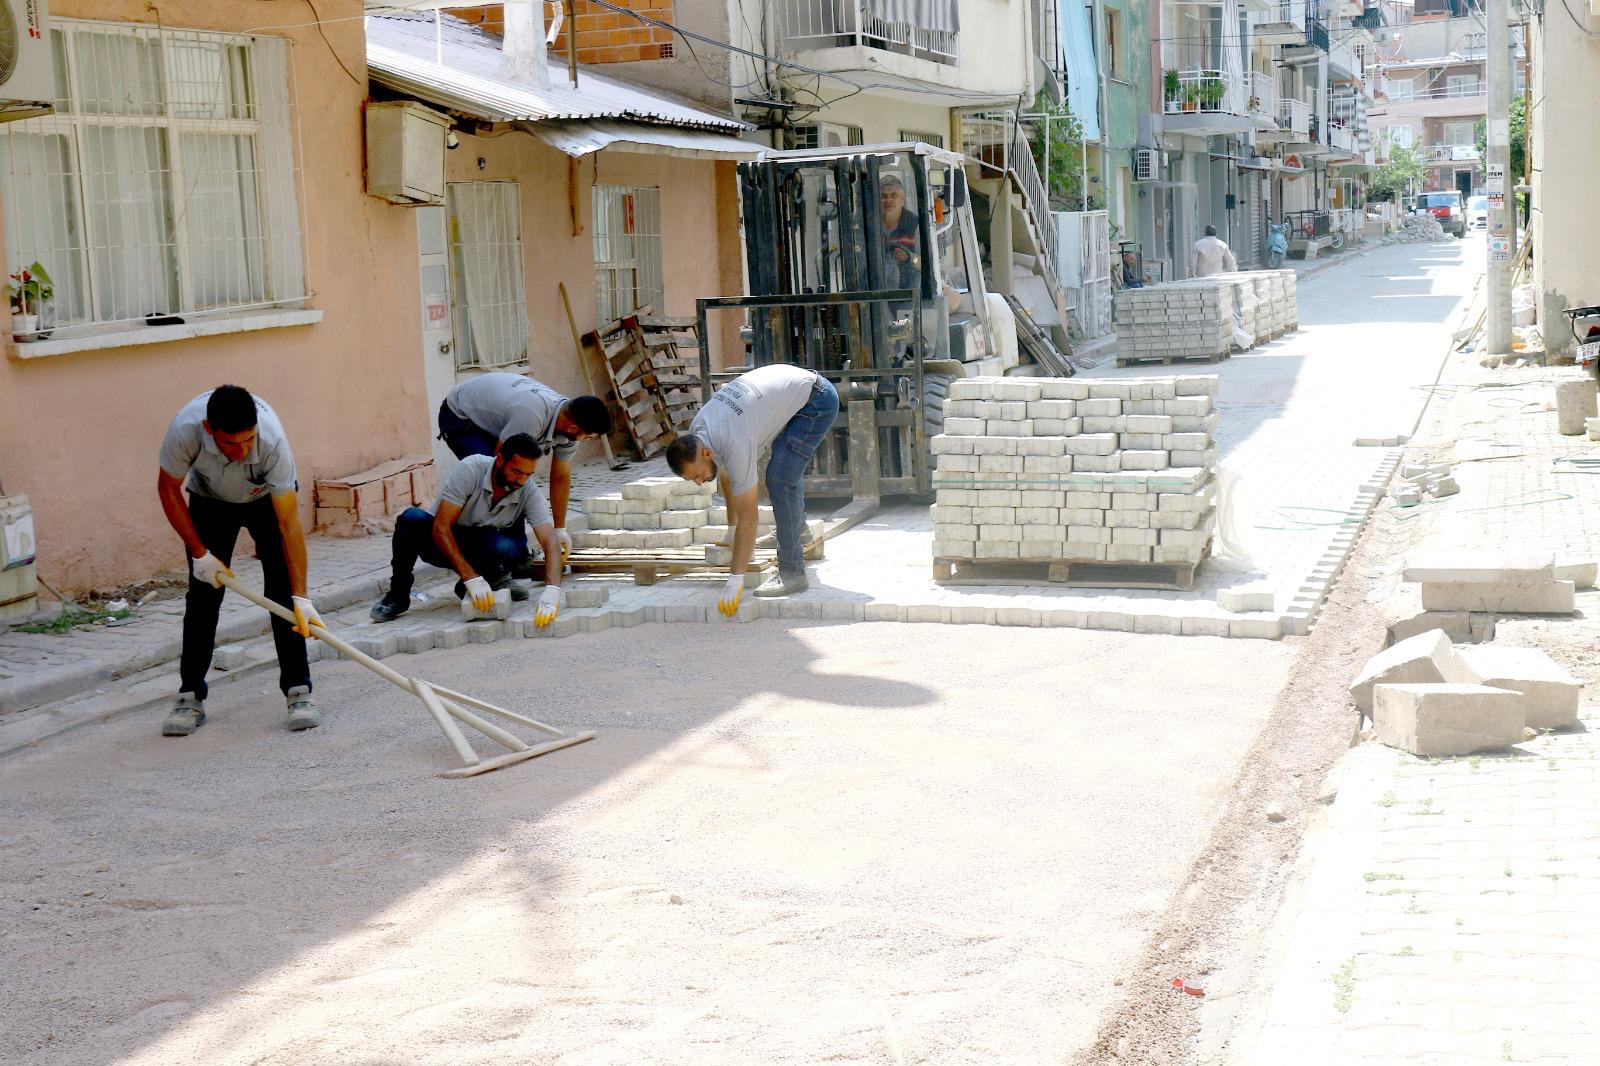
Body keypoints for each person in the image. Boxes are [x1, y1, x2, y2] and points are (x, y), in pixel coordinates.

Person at [156, 385, 322, 737]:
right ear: (208, 429)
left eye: (248, 440)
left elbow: (289, 522)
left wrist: (303, 597)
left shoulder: (271, 439)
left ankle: (298, 691)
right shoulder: (185, 431)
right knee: (202, 598)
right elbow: (167, 489)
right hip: (209, 501)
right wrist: (200, 553)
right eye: (231, 443)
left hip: (265, 502)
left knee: (282, 594)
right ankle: (189, 695)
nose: (242, 450)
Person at [664, 364, 840, 612]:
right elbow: (726, 475)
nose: (699, 482)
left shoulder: (731, 441)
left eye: (697, 475)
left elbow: (750, 518)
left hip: (816, 403)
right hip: (797, 394)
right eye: (691, 479)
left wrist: (735, 580)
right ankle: (798, 529)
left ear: (706, 453)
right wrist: (731, 529)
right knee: (784, 468)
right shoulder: (698, 432)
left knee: (780, 479)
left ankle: (792, 572)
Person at [369, 433, 565, 628]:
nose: (521, 481)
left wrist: (552, 589)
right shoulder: (471, 469)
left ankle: (491, 580)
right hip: (445, 542)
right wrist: (470, 577)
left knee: (508, 548)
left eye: (527, 474)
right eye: (516, 472)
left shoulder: (527, 490)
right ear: (500, 460)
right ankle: (398, 595)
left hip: (483, 548)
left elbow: (550, 541)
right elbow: (441, 527)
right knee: (410, 519)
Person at [437, 373, 612, 565]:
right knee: (503, 480)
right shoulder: (531, 415)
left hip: (499, 417)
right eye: (588, 437)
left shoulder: (569, 427)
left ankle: (512, 554)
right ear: (573, 428)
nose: (586, 440)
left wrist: (559, 530)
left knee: (517, 484)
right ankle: (490, 556)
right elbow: (501, 469)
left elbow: (560, 477)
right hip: (461, 415)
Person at [879, 173, 922, 292]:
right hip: (876, 296)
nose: (888, 200)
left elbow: (929, 265)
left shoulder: (916, 225)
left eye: (893, 195)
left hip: (910, 296)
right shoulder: (869, 226)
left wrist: (911, 257)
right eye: (883, 196)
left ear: (902, 198)